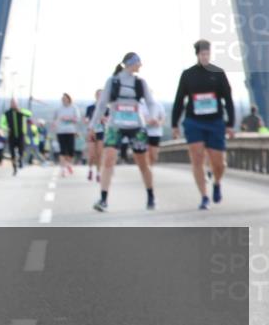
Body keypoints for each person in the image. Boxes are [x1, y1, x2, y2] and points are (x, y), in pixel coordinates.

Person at [88, 52, 157, 212]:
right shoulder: (113, 81)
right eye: (138, 62)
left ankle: (150, 195)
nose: (140, 65)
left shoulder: (140, 82)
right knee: (109, 160)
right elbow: (101, 104)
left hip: (136, 125)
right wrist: (92, 126)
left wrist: (151, 117)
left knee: (142, 163)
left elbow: (151, 102)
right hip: (115, 125)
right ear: (131, 63)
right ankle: (103, 198)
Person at [171, 39, 235, 210]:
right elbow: (179, 100)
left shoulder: (218, 73)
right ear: (197, 55)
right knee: (197, 158)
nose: (205, 57)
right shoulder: (188, 75)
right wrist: (174, 124)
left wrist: (231, 124)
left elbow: (228, 99)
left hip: (215, 121)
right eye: (202, 54)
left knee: (218, 162)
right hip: (194, 121)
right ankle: (204, 196)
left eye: (207, 54)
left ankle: (217, 182)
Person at [52, 93, 79, 177]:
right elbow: (55, 119)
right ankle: (63, 169)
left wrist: (68, 118)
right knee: (62, 150)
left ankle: (68, 164)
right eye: (62, 98)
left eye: (65, 98)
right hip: (60, 132)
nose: (64, 100)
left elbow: (77, 119)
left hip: (71, 131)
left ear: (69, 99)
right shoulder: (58, 108)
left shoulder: (74, 108)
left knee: (71, 151)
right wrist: (54, 125)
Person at [1, 98, 28, 176]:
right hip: (11, 135)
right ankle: (14, 168)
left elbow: (29, 114)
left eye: (15, 103)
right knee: (12, 153)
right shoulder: (7, 113)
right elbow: (2, 123)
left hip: (21, 135)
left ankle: (20, 160)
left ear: (17, 103)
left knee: (21, 151)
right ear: (10, 104)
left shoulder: (21, 111)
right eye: (12, 103)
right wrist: (6, 128)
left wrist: (20, 111)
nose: (13, 104)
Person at [84, 91, 106, 182]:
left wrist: (103, 119)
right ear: (95, 96)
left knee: (99, 154)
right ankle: (90, 169)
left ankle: (98, 173)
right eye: (98, 95)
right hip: (92, 131)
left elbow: (109, 119)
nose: (99, 96)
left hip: (101, 132)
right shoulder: (90, 108)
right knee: (92, 154)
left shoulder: (106, 108)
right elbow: (86, 119)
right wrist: (88, 121)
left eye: (101, 95)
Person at [141, 95, 166, 169]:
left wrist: (159, 123)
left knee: (154, 155)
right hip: (143, 132)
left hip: (155, 132)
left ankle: (151, 166)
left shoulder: (158, 104)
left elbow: (163, 117)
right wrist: (147, 122)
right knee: (145, 153)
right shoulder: (141, 105)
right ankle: (147, 169)